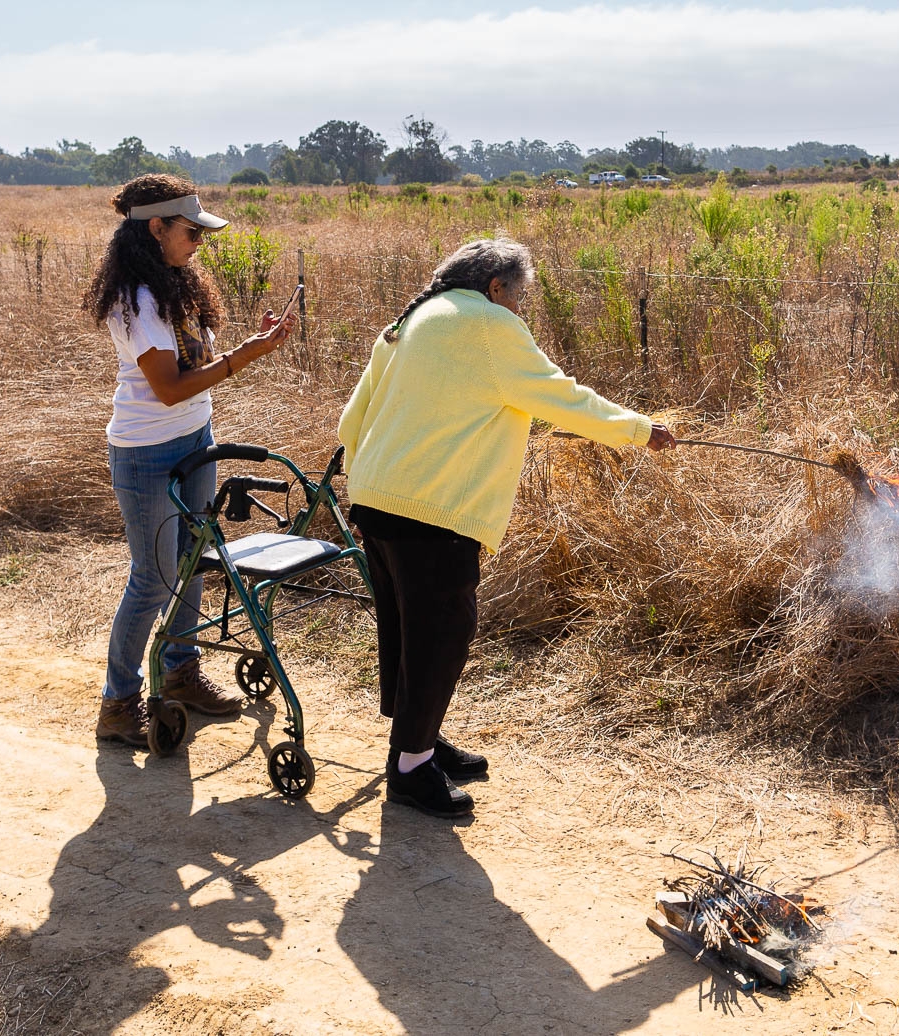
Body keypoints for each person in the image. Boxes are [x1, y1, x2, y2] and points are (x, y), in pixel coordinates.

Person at [338, 237, 674, 818]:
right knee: (442, 632)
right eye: (519, 298)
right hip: (432, 507)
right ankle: (412, 768)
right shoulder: (489, 325)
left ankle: (414, 741)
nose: (519, 311)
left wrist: (365, 479)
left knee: (403, 626)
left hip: (376, 497)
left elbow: (352, 420)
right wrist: (641, 430)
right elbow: (559, 397)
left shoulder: (410, 319)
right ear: (495, 288)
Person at [83, 174, 295, 746]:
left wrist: (254, 346)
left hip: (194, 437)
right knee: (151, 579)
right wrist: (244, 357)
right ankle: (119, 703)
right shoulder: (136, 299)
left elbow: (192, 366)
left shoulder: (174, 284)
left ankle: (179, 673)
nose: (200, 238)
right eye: (190, 229)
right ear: (155, 229)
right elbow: (170, 387)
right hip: (147, 452)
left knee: (194, 558)